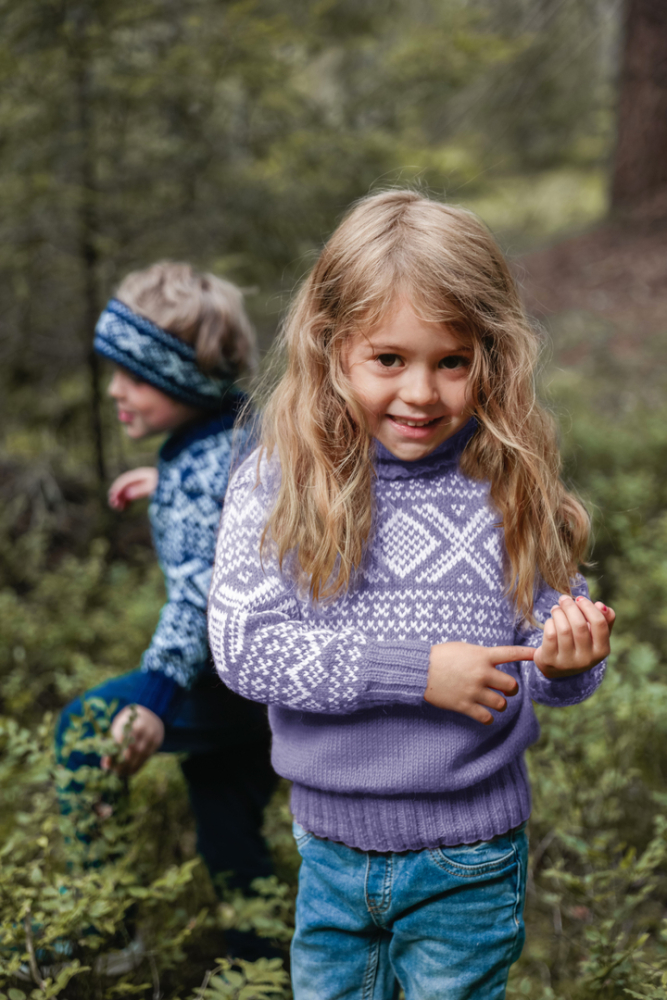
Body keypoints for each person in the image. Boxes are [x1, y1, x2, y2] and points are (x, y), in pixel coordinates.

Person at [207, 191, 616, 999]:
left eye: (451, 362)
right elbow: (244, 647)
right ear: (332, 348)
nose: (421, 393)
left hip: (470, 854)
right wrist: (416, 672)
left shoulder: (506, 480)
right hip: (329, 848)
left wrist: (567, 660)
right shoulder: (280, 480)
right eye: (389, 360)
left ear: (490, 356)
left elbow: (544, 652)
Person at [55, 263, 277, 962]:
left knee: (84, 728)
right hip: (273, 683)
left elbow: (196, 600)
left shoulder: (197, 476)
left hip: (226, 682)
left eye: (136, 377)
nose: (115, 390)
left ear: (185, 380)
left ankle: (103, 926)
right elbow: (242, 501)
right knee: (228, 835)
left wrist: (155, 700)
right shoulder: (251, 432)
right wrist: (171, 480)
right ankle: (261, 966)